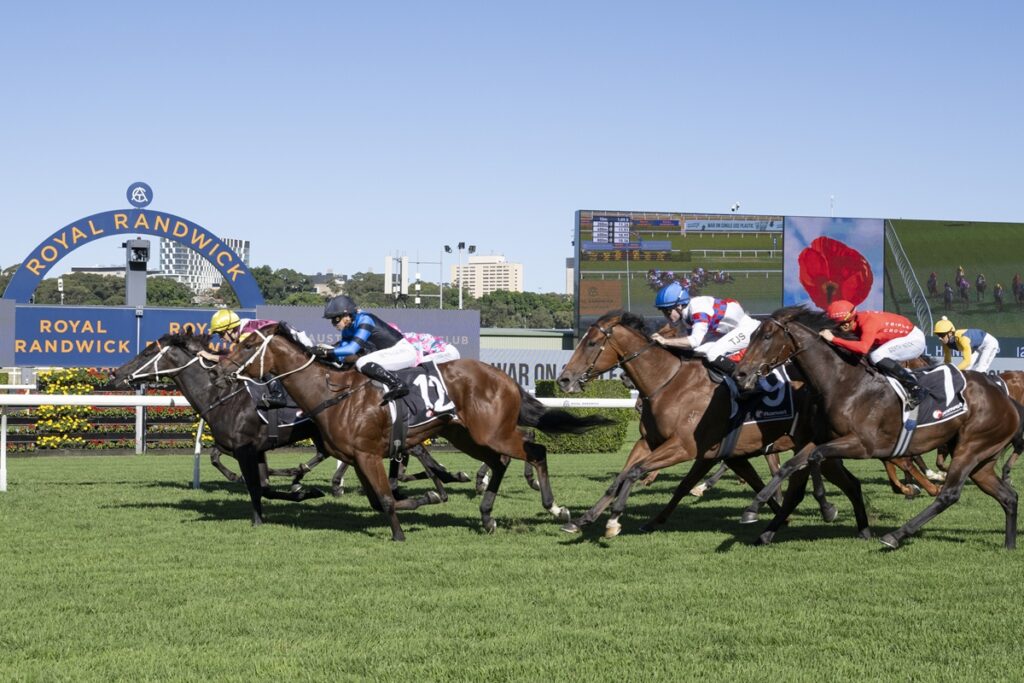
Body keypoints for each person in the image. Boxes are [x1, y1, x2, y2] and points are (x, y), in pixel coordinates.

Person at [819, 300, 928, 407]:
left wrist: (833, 339)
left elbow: (863, 348)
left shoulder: (868, 322)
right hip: (900, 337)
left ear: (846, 325)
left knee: (876, 356)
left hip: (914, 340)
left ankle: (915, 387)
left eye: (837, 325)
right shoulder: (857, 320)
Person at [312, 295, 415, 403]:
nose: (334, 324)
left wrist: (327, 352)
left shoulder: (365, 319)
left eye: (336, 319)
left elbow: (352, 349)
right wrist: (323, 354)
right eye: (332, 320)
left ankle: (398, 384)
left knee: (362, 362)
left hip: (403, 352)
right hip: (388, 353)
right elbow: (342, 355)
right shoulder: (347, 329)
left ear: (347, 314)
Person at [649, 281, 760, 374]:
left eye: (668, 311)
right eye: (663, 312)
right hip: (725, 332)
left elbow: (694, 341)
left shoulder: (698, 310)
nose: (666, 316)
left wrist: (665, 341)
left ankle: (742, 378)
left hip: (748, 330)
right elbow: (690, 343)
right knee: (697, 352)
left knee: (712, 354)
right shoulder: (686, 313)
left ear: (679, 306)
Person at [933, 316, 1000, 373]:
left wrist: (954, 371)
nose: (940, 338)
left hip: (989, 344)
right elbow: (947, 360)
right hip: (976, 347)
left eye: (941, 335)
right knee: (965, 370)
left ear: (950, 333)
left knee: (980, 370)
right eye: (938, 335)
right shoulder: (945, 342)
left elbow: (967, 361)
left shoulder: (963, 339)